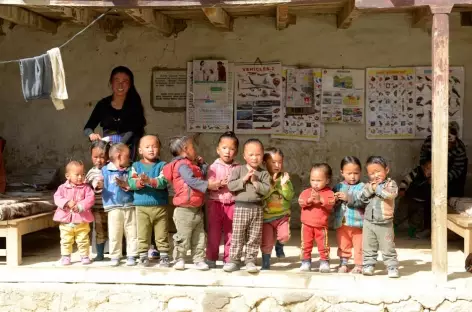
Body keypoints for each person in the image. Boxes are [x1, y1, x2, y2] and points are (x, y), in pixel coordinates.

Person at [162, 136, 220, 271]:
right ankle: (179, 258)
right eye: (193, 147)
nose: (195, 150)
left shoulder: (191, 165)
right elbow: (191, 181)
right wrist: (209, 185)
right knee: (183, 237)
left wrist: (202, 164)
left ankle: (198, 259)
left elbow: (202, 174)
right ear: (185, 150)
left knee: (199, 237)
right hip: (184, 210)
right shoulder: (182, 165)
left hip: (196, 209)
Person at [223, 139, 271, 273]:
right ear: (244, 156)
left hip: (256, 208)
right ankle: (234, 260)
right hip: (240, 208)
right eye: (251, 155)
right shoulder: (238, 170)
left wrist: (255, 182)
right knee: (238, 235)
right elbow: (231, 186)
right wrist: (244, 179)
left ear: (262, 156)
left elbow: (266, 190)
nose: (255, 158)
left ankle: (250, 260)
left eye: (258, 155)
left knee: (254, 236)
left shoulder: (264, 173)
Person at [84, 66, 146, 160]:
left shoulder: (134, 105)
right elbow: (88, 127)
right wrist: (91, 134)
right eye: (117, 81)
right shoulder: (103, 105)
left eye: (125, 81)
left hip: (128, 153)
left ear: (130, 85)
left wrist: (117, 147)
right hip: (107, 153)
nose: (120, 85)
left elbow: (132, 131)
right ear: (111, 83)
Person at [128, 135, 170, 267]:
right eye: (147, 147)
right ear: (140, 150)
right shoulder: (135, 166)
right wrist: (140, 182)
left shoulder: (163, 165)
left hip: (160, 206)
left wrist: (150, 181)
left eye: (154, 146)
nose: (151, 149)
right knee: (142, 232)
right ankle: (143, 255)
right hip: (141, 207)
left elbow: (163, 182)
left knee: (161, 232)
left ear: (159, 149)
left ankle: (163, 254)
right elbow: (131, 182)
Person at [359, 156, 399, 278]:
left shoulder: (390, 184)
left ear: (386, 170)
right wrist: (371, 188)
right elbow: (362, 197)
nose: (375, 175)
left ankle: (392, 266)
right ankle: (368, 265)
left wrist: (377, 188)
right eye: (371, 173)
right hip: (369, 222)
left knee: (387, 246)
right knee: (368, 245)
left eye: (378, 171)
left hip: (384, 222)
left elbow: (390, 195)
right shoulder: (369, 185)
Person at [205, 131, 240, 269]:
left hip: (232, 204)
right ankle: (211, 257)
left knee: (231, 232)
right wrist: (218, 183)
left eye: (231, 149)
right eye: (224, 148)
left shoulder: (238, 168)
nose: (227, 152)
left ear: (236, 152)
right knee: (213, 232)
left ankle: (229, 259)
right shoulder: (213, 167)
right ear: (218, 150)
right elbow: (208, 184)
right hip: (216, 203)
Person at [53, 161, 95, 266]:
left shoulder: (86, 188)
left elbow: (90, 199)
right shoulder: (62, 188)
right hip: (66, 221)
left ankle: (84, 256)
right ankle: (66, 256)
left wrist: (80, 206)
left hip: (82, 220)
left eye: (83, 174)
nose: (80, 177)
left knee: (83, 239)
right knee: (66, 240)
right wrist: (66, 202)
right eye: (77, 175)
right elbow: (57, 198)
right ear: (68, 176)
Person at [102, 143, 137, 267]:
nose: (129, 158)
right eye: (127, 156)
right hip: (113, 206)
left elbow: (134, 182)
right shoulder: (106, 170)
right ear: (119, 156)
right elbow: (97, 181)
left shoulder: (131, 168)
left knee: (132, 231)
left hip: (130, 204)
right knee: (115, 232)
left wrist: (128, 185)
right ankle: (115, 255)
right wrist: (98, 184)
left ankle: (132, 254)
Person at [260, 148, 294, 270]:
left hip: (282, 215)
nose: (277, 165)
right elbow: (262, 195)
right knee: (267, 242)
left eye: (280, 162)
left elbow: (289, 196)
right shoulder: (262, 177)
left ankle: (279, 246)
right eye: (273, 162)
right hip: (266, 217)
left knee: (284, 236)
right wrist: (272, 185)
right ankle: (266, 263)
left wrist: (284, 185)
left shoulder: (284, 178)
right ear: (264, 163)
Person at [298, 163, 335, 273]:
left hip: (321, 226)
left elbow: (331, 203)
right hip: (306, 225)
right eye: (313, 180)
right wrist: (309, 200)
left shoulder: (329, 193)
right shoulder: (306, 192)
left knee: (323, 245)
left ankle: (324, 261)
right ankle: (305, 261)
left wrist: (321, 200)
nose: (315, 183)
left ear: (327, 180)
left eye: (318, 180)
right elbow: (300, 201)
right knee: (306, 244)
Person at [333, 156, 365, 274]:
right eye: (349, 173)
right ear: (342, 172)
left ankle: (359, 265)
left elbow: (364, 202)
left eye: (356, 173)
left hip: (359, 224)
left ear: (360, 172)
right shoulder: (338, 187)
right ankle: (344, 263)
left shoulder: (363, 187)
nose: (352, 176)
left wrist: (349, 198)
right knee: (343, 244)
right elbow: (331, 204)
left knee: (360, 246)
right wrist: (334, 200)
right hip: (342, 223)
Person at [420, 121, 467, 198]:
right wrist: (426, 169)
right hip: (431, 172)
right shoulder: (429, 142)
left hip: (451, 177)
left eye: (450, 144)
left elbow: (456, 170)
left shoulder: (460, 149)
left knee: (451, 197)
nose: (447, 146)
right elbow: (422, 157)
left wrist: (440, 179)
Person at [394, 156, 432, 239]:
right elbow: (406, 180)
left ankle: (412, 232)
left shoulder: (434, 178)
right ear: (423, 167)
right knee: (401, 214)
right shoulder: (417, 172)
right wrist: (402, 189)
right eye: (428, 168)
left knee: (416, 218)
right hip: (408, 199)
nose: (429, 171)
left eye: (432, 169)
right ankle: (392, 228)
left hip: (422, 202)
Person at [85, 140, 110, 261]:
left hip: (113, 207)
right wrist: (96, 184)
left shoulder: (112, 169)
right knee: (100, 230)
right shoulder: (91, 172)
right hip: (98, 208)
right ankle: (100, 254)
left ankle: (121, 252)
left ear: (108, 156)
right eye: (95, 157)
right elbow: (90, 185)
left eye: (102, 157)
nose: (98, 160)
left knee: (116, 230)